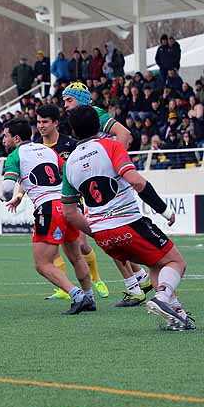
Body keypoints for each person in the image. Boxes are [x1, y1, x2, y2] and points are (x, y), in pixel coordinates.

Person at [60, 106, 195, 330]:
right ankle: (162, 298)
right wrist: (164, 210)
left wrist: (96, 232)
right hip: (128, 224)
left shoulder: (70, 163)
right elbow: (137, 181)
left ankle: (177, 315)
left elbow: (69, 212)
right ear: (98, 124)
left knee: (156, 263)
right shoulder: (111, 146)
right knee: (176, 262)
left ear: (73, 130)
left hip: (104, 237)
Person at [34, 103, 148, 305]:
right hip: (60, 204)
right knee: (95, 243)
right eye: (38, 122)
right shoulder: (37, 149)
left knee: (91, 243)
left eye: (44, 122)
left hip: (80, 202)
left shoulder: (72, 145)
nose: (41, 126)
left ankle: (111, 281)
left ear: (55, 123)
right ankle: (137, 279)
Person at [0, 119, 95, 314]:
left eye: (6, 135)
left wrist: (6, 196)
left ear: (16, 138)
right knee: (76, 257)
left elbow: (7, 190)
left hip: (48, 209)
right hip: (68, 206)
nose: (3, 139)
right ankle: (89, 297)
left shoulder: (15, 155)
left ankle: (77, 296)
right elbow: (67, 171)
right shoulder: (47, 150)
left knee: (42, 264)